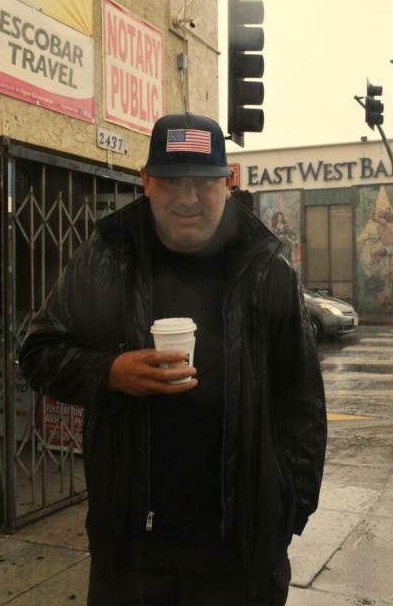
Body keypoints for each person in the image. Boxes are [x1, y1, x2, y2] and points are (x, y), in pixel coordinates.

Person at [19, 113, 327, 605]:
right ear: (145, 182)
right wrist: (110, 372)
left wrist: (286, 514)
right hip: (133, 549)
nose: (186, 197)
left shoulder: (265, 268)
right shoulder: (108, 254)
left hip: (241, 550)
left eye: (202, 182)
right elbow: (37, 353)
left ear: (228, 182)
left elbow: (303, 403)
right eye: (169, 180)